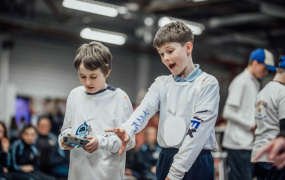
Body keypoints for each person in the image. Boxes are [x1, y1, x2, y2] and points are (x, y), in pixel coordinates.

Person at [107, 21, 220, 180]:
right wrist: (128, 129)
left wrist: (175, 173)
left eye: (170, 51)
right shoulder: (162, 83)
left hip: (197, 159)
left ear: (188, 48)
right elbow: (144, 109)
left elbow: (198, 133)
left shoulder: (207, 83)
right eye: (161, 54)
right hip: (166, 157)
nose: (165, 58)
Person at [58, 41, 135, 180]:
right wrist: (64, 139)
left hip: (106, 174)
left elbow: (129, 141)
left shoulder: (120, 98)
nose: (87, 82)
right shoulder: (74, 95)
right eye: (82, 76)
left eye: (93, 77)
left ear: (107, 72)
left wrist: (101, 142)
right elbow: (67, 128)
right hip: (77, 174)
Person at [222, 48, 275, 180]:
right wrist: (251, 125)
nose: (266, 72)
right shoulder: (241, 82)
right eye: (265, 68)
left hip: (248, 143)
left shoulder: (254, 83)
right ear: (255, 63)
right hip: (237, 144)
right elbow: (228, 112)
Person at [251, 56, 285, 179]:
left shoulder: (262, 92)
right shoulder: (282, 92)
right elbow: (284, 127)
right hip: (274, 155)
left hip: (258, 154)